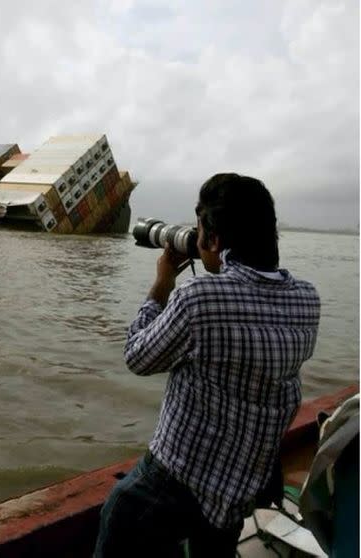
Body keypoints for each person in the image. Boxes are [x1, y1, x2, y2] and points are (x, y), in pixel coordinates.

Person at [94, 173, 321, 557]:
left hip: (170, 487)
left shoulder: (200, 298)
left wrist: (162, 284)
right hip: (237, 493)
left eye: (201, 233)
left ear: (214, 240)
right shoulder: (307, 301)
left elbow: (137, 356)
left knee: (120, 513)